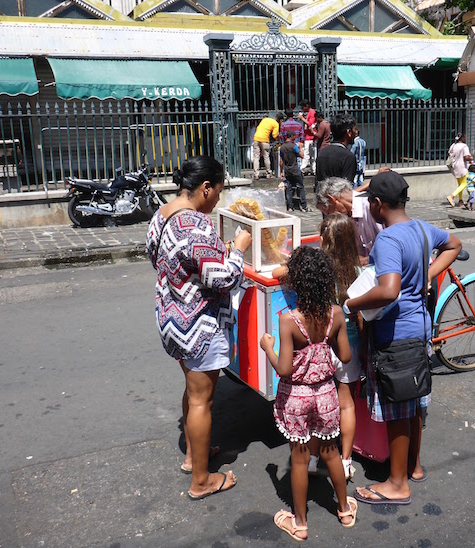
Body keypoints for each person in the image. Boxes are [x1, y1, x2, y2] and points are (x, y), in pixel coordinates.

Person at [344, 170, 461, 505]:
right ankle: (414, 466)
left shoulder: (388, 239)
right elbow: (454, 244)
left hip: (397, 336)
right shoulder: (422, 228)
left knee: (397, 407)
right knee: (414, 402)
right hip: (420, 331)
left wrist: (352, 303)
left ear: (378, 205)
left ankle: (397, 484)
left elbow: (389, 291)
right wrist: (427, 272)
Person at [146, 155, 252, 500]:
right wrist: (238, 251)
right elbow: (222, 279)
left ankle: (195, 457)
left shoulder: (162, 215)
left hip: (172, 319)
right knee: (202, 399)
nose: (219, 198)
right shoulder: (196, 225)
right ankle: (202, 481)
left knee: (193, 394)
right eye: (218, 191)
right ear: (205, 188)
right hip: (199, 326)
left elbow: (160, 258)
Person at [260, 246, 357, 540]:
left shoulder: (289, 320)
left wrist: (268, 348)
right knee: (331, 452)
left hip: (296, 398)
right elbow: (346, 356)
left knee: (299, 460)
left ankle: (299, 523)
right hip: (326, 393)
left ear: (297, 283)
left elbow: (285, 369)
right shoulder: (336, 314)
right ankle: (344, 509)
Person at [319, 213, 365, 480]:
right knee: (346, 403)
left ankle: (313, 458)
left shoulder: (321, 270)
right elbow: (361, 318)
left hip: (323, 345)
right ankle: (346, 460)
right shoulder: (358, 273)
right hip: (350, 346)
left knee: (320, 400)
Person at [315, 177, 382, 263]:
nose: (330, 218)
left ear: (331, 200)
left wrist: (367, 260)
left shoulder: (371, 207)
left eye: (328, 212)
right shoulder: (348, 218)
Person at [316, 113, 358, 190]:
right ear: (348, 132)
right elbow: (346, 189)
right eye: (355, 129)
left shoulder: (322, 153)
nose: (356, 133)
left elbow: (318, 184)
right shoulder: (348, 157)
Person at [279, 130, 308, 212]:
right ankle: (304, 206)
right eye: (294, 136)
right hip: (295, 169)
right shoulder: (294, 146)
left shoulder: (282, 147)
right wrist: (301, 148)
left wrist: (281, 171)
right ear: (291, 136)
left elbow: (281, 161)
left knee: (289, 188)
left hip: (287, 170)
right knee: (300, 187)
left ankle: (290, 207)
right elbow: (302, 156)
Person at [253, 112, 285, 180]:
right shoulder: (276, 124)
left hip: (256, 138)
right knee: (266, 157)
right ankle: (268, 174)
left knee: (256, 157)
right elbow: (274, 135)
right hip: (264, 140)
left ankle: (256, 174)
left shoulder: (265, 119)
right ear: (280, 120)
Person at [446, 133, 473, 207]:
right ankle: (452, 196)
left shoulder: (453, 145)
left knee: (460, 184)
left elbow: (450, 154)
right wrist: (471, 158)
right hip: (462, 166)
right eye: (465, 137)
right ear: (463, 138)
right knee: (465, 183)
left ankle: (460, 201)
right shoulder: (464, 146)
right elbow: (466, 158)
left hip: (455, 166)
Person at [297, 99, 316, 175]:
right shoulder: (308, 113)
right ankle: (313, 169)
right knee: (311, 155)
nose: (302, 109)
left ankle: (302, 169)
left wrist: (302, 118)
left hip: (310, 137)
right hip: (307, 136)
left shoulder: (312, 113)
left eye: (303, 107)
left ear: (307, 106)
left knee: (307, 154)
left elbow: (310, 124)